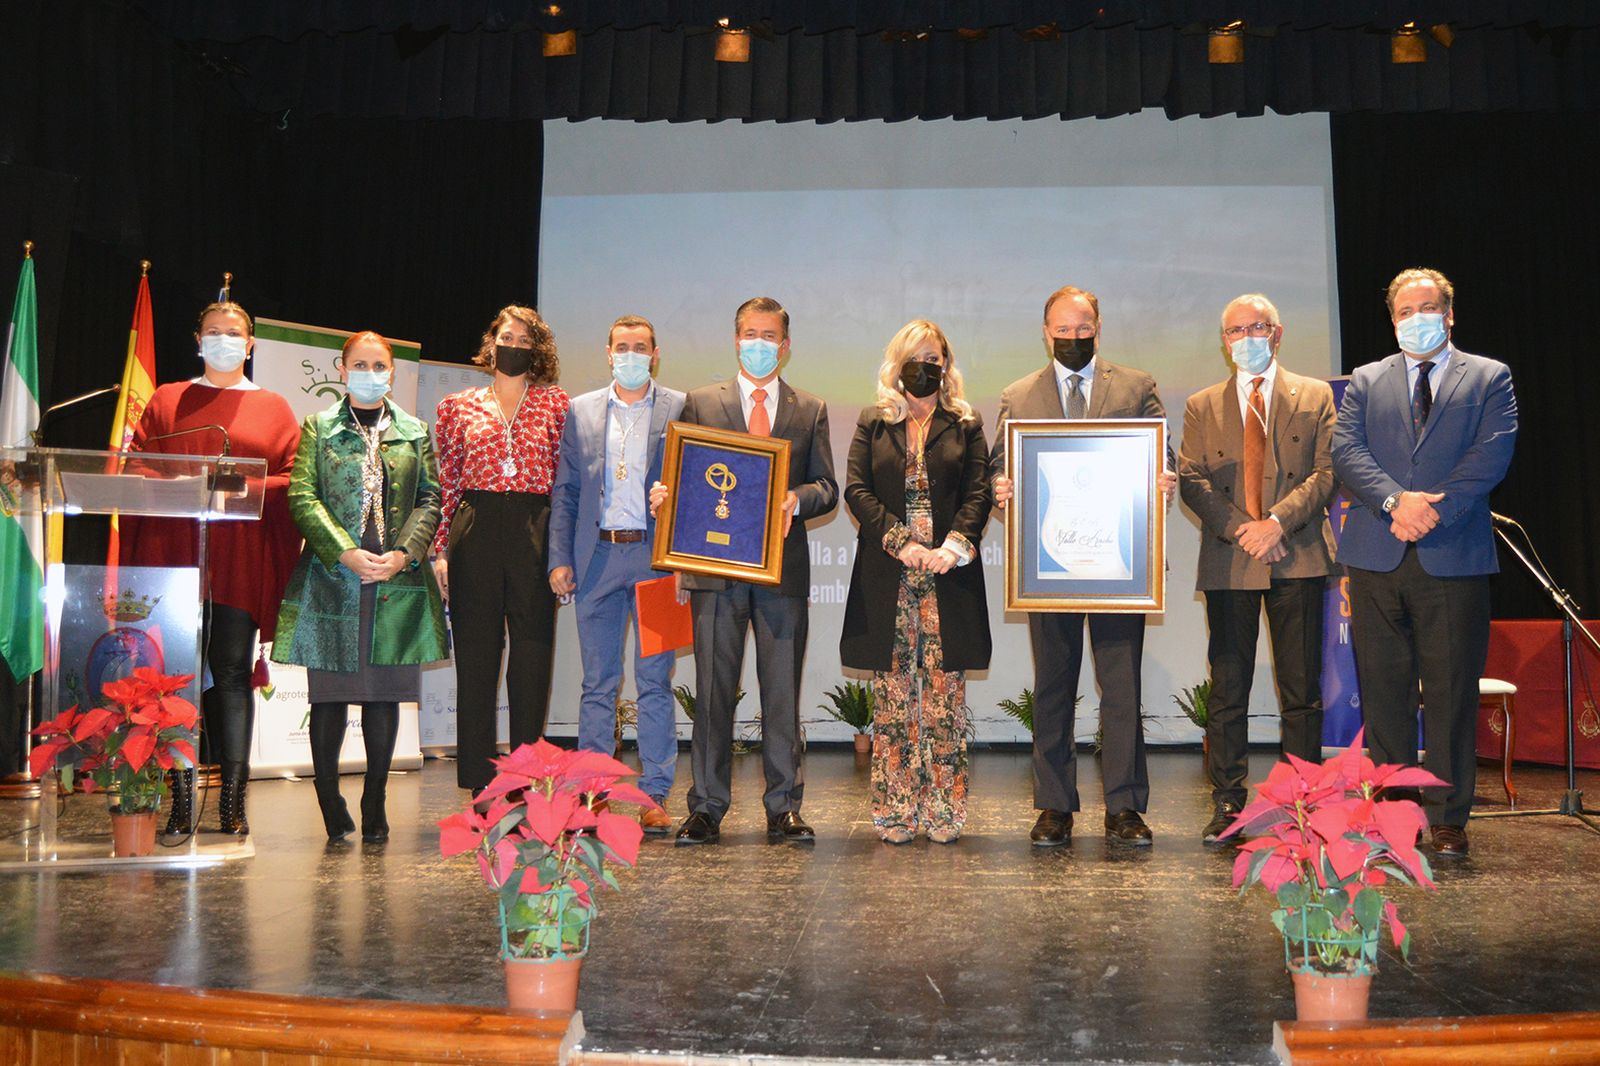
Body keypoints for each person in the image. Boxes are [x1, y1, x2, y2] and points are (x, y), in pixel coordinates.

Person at [1331, 268, 1517, 857]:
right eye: (1406, 311)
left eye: (1428, 307)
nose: (1417, 318)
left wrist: (1429, 512)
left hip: (1452, 552)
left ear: (1450, 313)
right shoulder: (1366, 379)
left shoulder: (1489, 376)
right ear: (1392, 320)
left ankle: (1446, 819)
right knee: (1383, 692)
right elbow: (1346, 451)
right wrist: (1394, 502)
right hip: (1375, 555)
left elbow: (1491, 456)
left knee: (1451, 692)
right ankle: (1391, 813)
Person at [991, 285, 1177, 848]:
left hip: (1120, 567)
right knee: (1053, 686)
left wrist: (1164, 476)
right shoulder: (1018, 395)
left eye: (1083, 327)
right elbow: (1000, 465)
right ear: (1045, 331)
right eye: (1063, 329)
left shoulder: (1136, 386)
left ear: (1098, 326)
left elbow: (1164, 452)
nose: (1074, 337)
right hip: (1047, 569)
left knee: (1121, 688)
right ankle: (1054, 806)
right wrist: (1000, 487)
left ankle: (1124, 807)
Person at [649, 296, 838, 845]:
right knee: (712, 692)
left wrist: (795, 499)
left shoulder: (811, 409)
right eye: (750, 334)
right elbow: (680, 478)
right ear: (737, 341)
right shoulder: (701, 403)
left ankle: (784, 807)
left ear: (785, 346)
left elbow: (826, 487)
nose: (759, 344)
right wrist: (666, 497)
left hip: (782, 575)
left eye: (769, 336)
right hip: (714, 573)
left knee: (781, 694)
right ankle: (707, 805)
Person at [123, 300, 302, 836]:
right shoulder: (166, 399)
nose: (224, 340)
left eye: (235, 333)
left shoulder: (273, 407)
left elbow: (294, 481)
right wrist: (179, 487)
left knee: (229, 675)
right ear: (197, 340)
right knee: (173, 681)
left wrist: (241, 488)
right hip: (174, 555)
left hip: (239, 557)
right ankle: (180, 802)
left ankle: (231, 805)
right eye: (213, 332)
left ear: (250, 344)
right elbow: (136, 467)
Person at [271, 331, 448, 843]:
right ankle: (328, 798)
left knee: (384, 695)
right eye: (360, 364)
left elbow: (432, 499)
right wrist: (344, 552)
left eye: (379, 364)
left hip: (397, 579)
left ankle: (375, 798)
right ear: (343, 370)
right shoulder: (319, 427)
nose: (371, 371)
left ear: (391, 372)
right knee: (329, 697)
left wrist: (403, 554)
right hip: (334, 578)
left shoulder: (415, 430)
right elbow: (302, 496)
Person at [1178, 294, 1338, 844]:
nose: (1246, 337)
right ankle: (1228, 804)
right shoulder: (1202, 404)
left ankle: (1304, 804)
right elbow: (1192, 479)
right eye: (1234, 330)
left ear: (1278, 332)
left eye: (1256, 327)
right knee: (1228, 690)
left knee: (1301, 691)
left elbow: (1326, 472)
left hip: (1299, 553)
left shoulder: (1315, 395)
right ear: (1223, 341)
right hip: (1230, 559)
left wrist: (1276, 523)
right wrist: (1244, 529)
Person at [841, 320, 991, 844]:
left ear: (946, 364)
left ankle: (945, 812)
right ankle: (896, 812)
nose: (924, 366)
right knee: (894, 697)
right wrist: (901, 542)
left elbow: (980, 493)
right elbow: (856, 490)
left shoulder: (966, 423)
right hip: (891, 573)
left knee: (944, 697)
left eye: (934, 357)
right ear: (896, 363)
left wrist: (953, 546)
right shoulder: (873, 421)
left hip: (948, 576)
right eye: (914, 356)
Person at [548, 315, 685, 834]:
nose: (631, 354)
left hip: (655, 561)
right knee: (598, 683)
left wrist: (675, 507)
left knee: (654, 681)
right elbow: (566, 492)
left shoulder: (679, 407)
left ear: (655, 353)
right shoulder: (580, 410)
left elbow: (694, 481)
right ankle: (591, 794)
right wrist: (559, 558)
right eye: (622, 347)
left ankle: (654, 795)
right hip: (596, 559)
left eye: (641, 347)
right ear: (608, 353)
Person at [432, 306, 567, 794]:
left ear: (538, 350)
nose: (514, 345)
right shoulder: (456, 406)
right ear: (491, 343)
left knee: (532, 657)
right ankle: (480, 782)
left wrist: (561, 550)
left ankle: (529, 779)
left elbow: (565, 484)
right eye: (506, 336)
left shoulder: (556, 404)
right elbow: (447, 480)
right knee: (476, 659)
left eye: (525, 340)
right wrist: (441, 549)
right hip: (476, 526)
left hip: (535, 526)